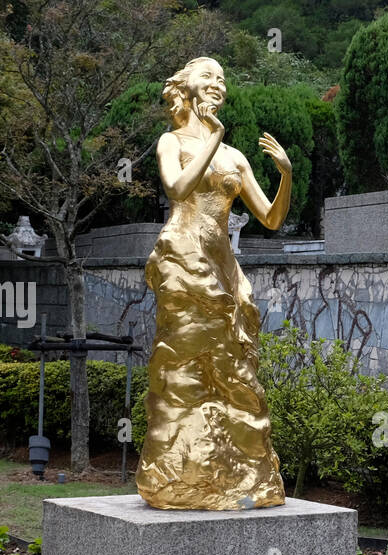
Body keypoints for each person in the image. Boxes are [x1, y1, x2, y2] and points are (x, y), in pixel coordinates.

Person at [136, 56, 291, 510]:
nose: (217, 83)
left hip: (224, 261)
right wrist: (213, 135)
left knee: (236, 361)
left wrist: (286, 173)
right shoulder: (172, 141)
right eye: (208, 75)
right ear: (185, 87)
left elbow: (272, 218)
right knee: (185, 356)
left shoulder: (235, 158)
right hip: (183, 254)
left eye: (223, 77)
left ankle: (235, 467)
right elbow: (177, 190)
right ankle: (173, 464)